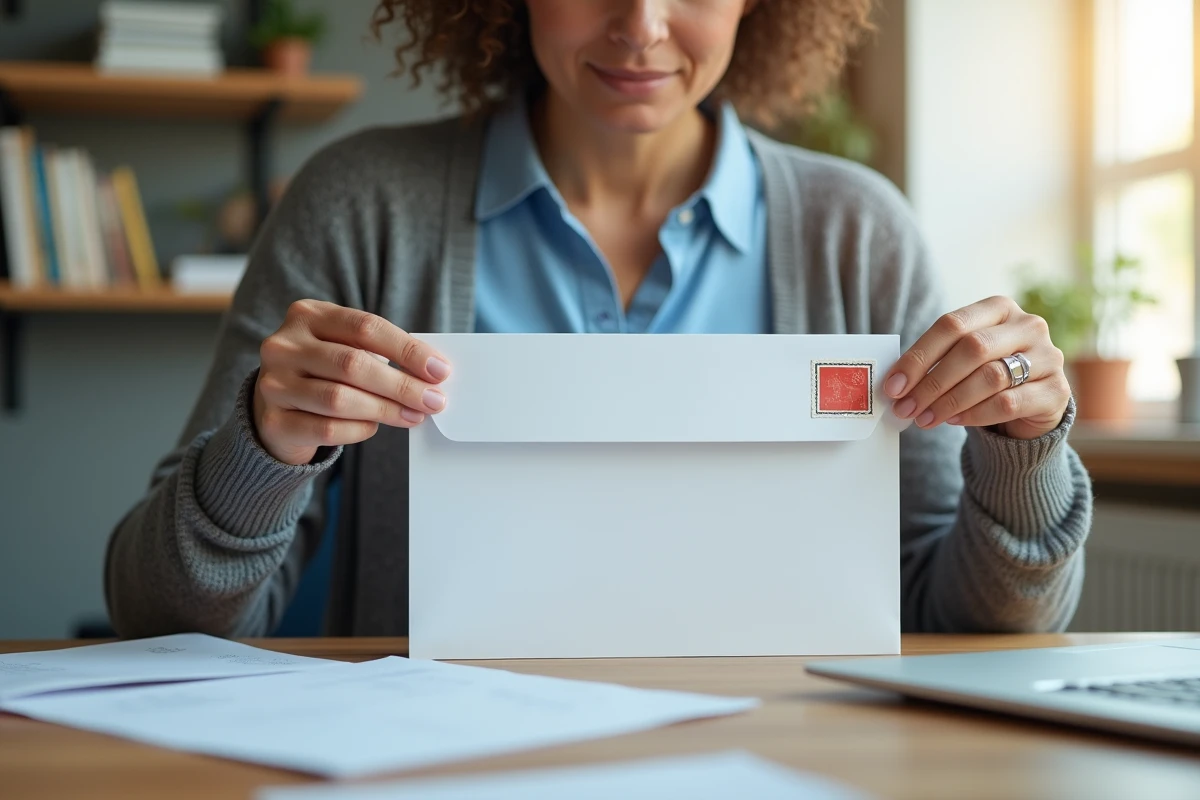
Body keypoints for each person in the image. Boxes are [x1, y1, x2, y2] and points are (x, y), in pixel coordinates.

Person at [105, 0, 1091, 638]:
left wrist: (1023, 447)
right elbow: (159, 613)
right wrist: (265, 446)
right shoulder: (361, 205)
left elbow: (956, 621)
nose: (642, 28)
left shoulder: (858, 233)